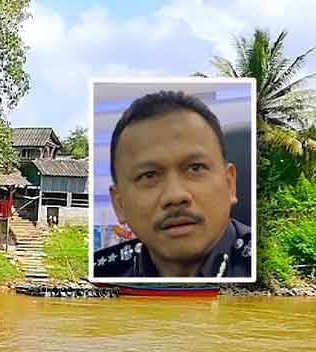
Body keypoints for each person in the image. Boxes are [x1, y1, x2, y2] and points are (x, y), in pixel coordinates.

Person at [93, 90, 251, 278]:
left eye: (195, 168)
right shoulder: (102, 273)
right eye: (149, 176)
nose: (175, 196)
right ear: (119, 204)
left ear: (230, 184)